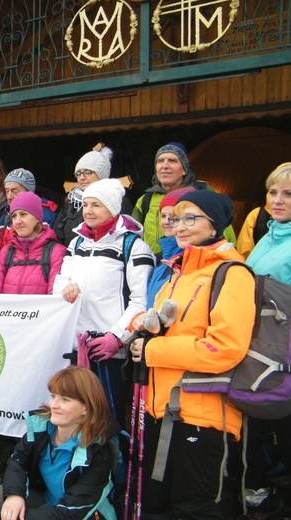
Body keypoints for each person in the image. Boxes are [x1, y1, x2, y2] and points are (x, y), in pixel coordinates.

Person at [129, 190, 255, 519]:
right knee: (155, 507)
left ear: (214, 227)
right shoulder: (177, 274)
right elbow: (161, 326)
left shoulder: (232, 274)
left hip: (204, 419)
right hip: (161, 412)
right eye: (174, 218)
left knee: (195, 510)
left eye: (191, 218)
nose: (179, 226)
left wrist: (153, 350)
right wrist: (140, 327)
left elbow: (224, 349)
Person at [54, 178, 154, 427]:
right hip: (79, 348)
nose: (88, 211)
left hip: (112, 354)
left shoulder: (134, 246)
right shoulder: (76, 242)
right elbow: (59, 280)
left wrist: (117, 337)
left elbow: (141, 301)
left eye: (96, 205)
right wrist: (65, 288)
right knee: (78, 418)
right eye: (85, 204)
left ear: (112, 208)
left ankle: (109, 465)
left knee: (107, 419)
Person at [0, 366, 119, 520]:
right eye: (53, 396)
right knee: (3, 496)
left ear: (86, 408)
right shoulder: (42, 428)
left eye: (65, 399)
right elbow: (18, 461)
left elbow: (71, 512)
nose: (54, 404)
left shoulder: (98, 453)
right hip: (50, 506)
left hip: (84, 516)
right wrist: (14, 494)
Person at [241, 162, 291, 517]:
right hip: (259, 348)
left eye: (288, 194)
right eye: (273, 192)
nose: (277, 200)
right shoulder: (266, 237)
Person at [132, 142, 236, 255]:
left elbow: (225, 230)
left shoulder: (202, 193)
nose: (164, 166)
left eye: (172, 160)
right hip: (157, 265)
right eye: (160, 161)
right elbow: (133, 234)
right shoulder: (146, 199)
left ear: (184, 170)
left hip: (199, 261)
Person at [0, 191, 65, 294]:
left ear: (37, 218)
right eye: (14, 216)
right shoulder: (6, 251)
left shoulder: (56, 252)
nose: (17, 221)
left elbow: (54, 295)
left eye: (23, 214)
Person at [53, 145, 133, 246]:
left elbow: (125, 236)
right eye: (78, 173)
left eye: (87, 172)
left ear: (101, 175)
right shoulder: (72, 202)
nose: (81, 177)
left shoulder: (119, 202)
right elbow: (58, 235)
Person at [145, 186, 195, 308]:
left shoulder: (192, 260)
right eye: (163, 216)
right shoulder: (161, 262)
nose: (166, 221)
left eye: (173, 216)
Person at [0, 168, 58, 250]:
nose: (9, 196)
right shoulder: (4, 217)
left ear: (29, 192)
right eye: (7, 191)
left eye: (14, 190)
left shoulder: (48, 217)